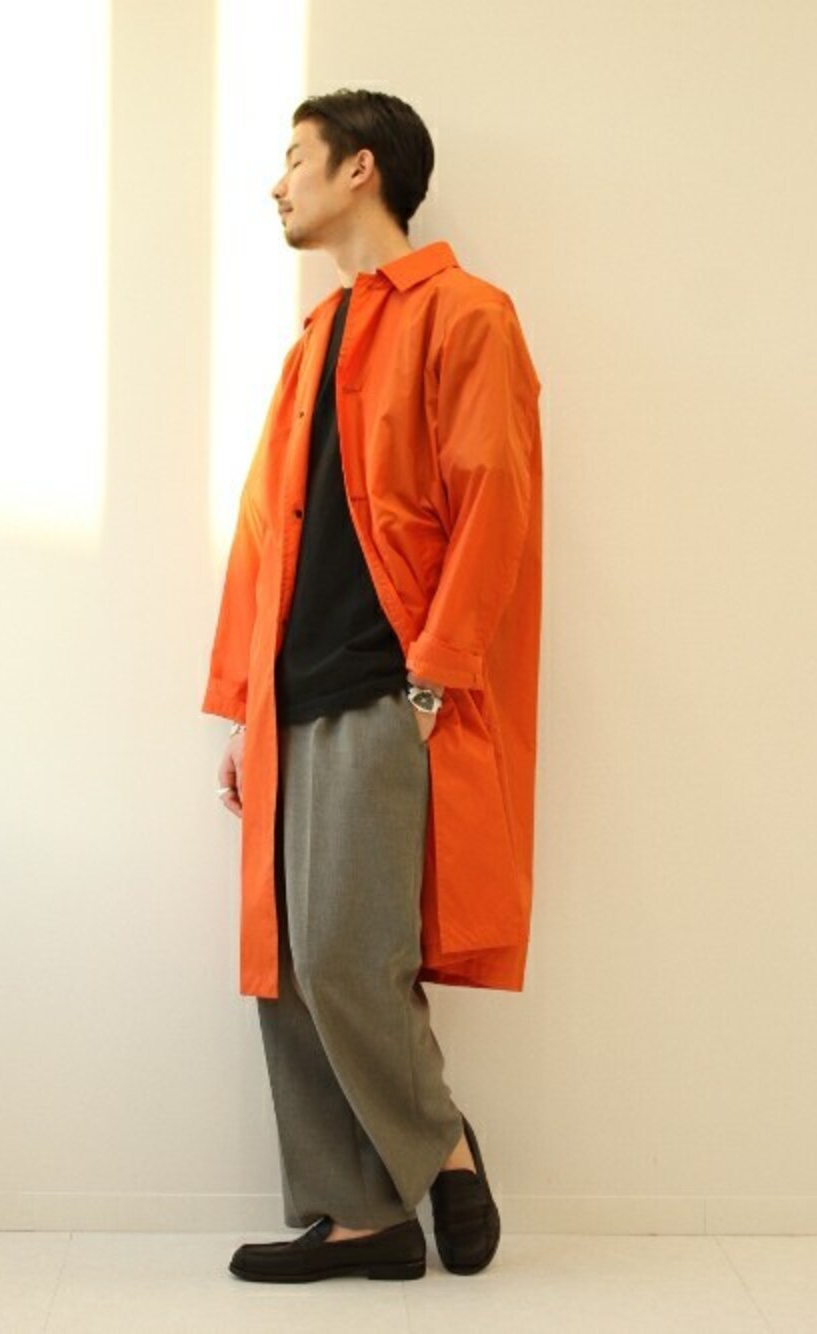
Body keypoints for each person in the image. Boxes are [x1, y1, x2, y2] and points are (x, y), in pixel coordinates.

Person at [201, 88, 543, 1283]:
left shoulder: (466, 313)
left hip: (385, 692)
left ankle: (440, 1143)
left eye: (293, 157)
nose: (276, 182)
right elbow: (263, 535)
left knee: (349, 954)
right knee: (289, 964)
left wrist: (433, 681)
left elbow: (494, 502)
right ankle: (361, 1215)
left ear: (360, 169)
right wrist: (243, 705)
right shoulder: (313, 343)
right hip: (291, 695)